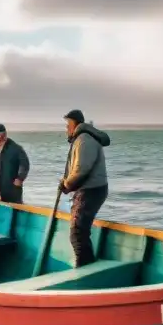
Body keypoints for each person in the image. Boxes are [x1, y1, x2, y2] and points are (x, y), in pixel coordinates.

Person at [59, 109, 111, 267]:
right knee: (79, 230)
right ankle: (85, 262)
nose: (66, 128)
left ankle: (85, 267)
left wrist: (67, 184)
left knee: (77, 232)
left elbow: (81, 170)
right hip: (90, 189)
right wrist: (67, 184)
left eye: (68, 124)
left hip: (91, 190)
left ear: (74, 123)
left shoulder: (84, 140)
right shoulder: (82, 138)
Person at [0, 123, 30, 203]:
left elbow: (25, 163)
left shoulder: (15, 148)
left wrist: (20, 178)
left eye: (1, 136)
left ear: (5, 136)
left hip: (11, 190)